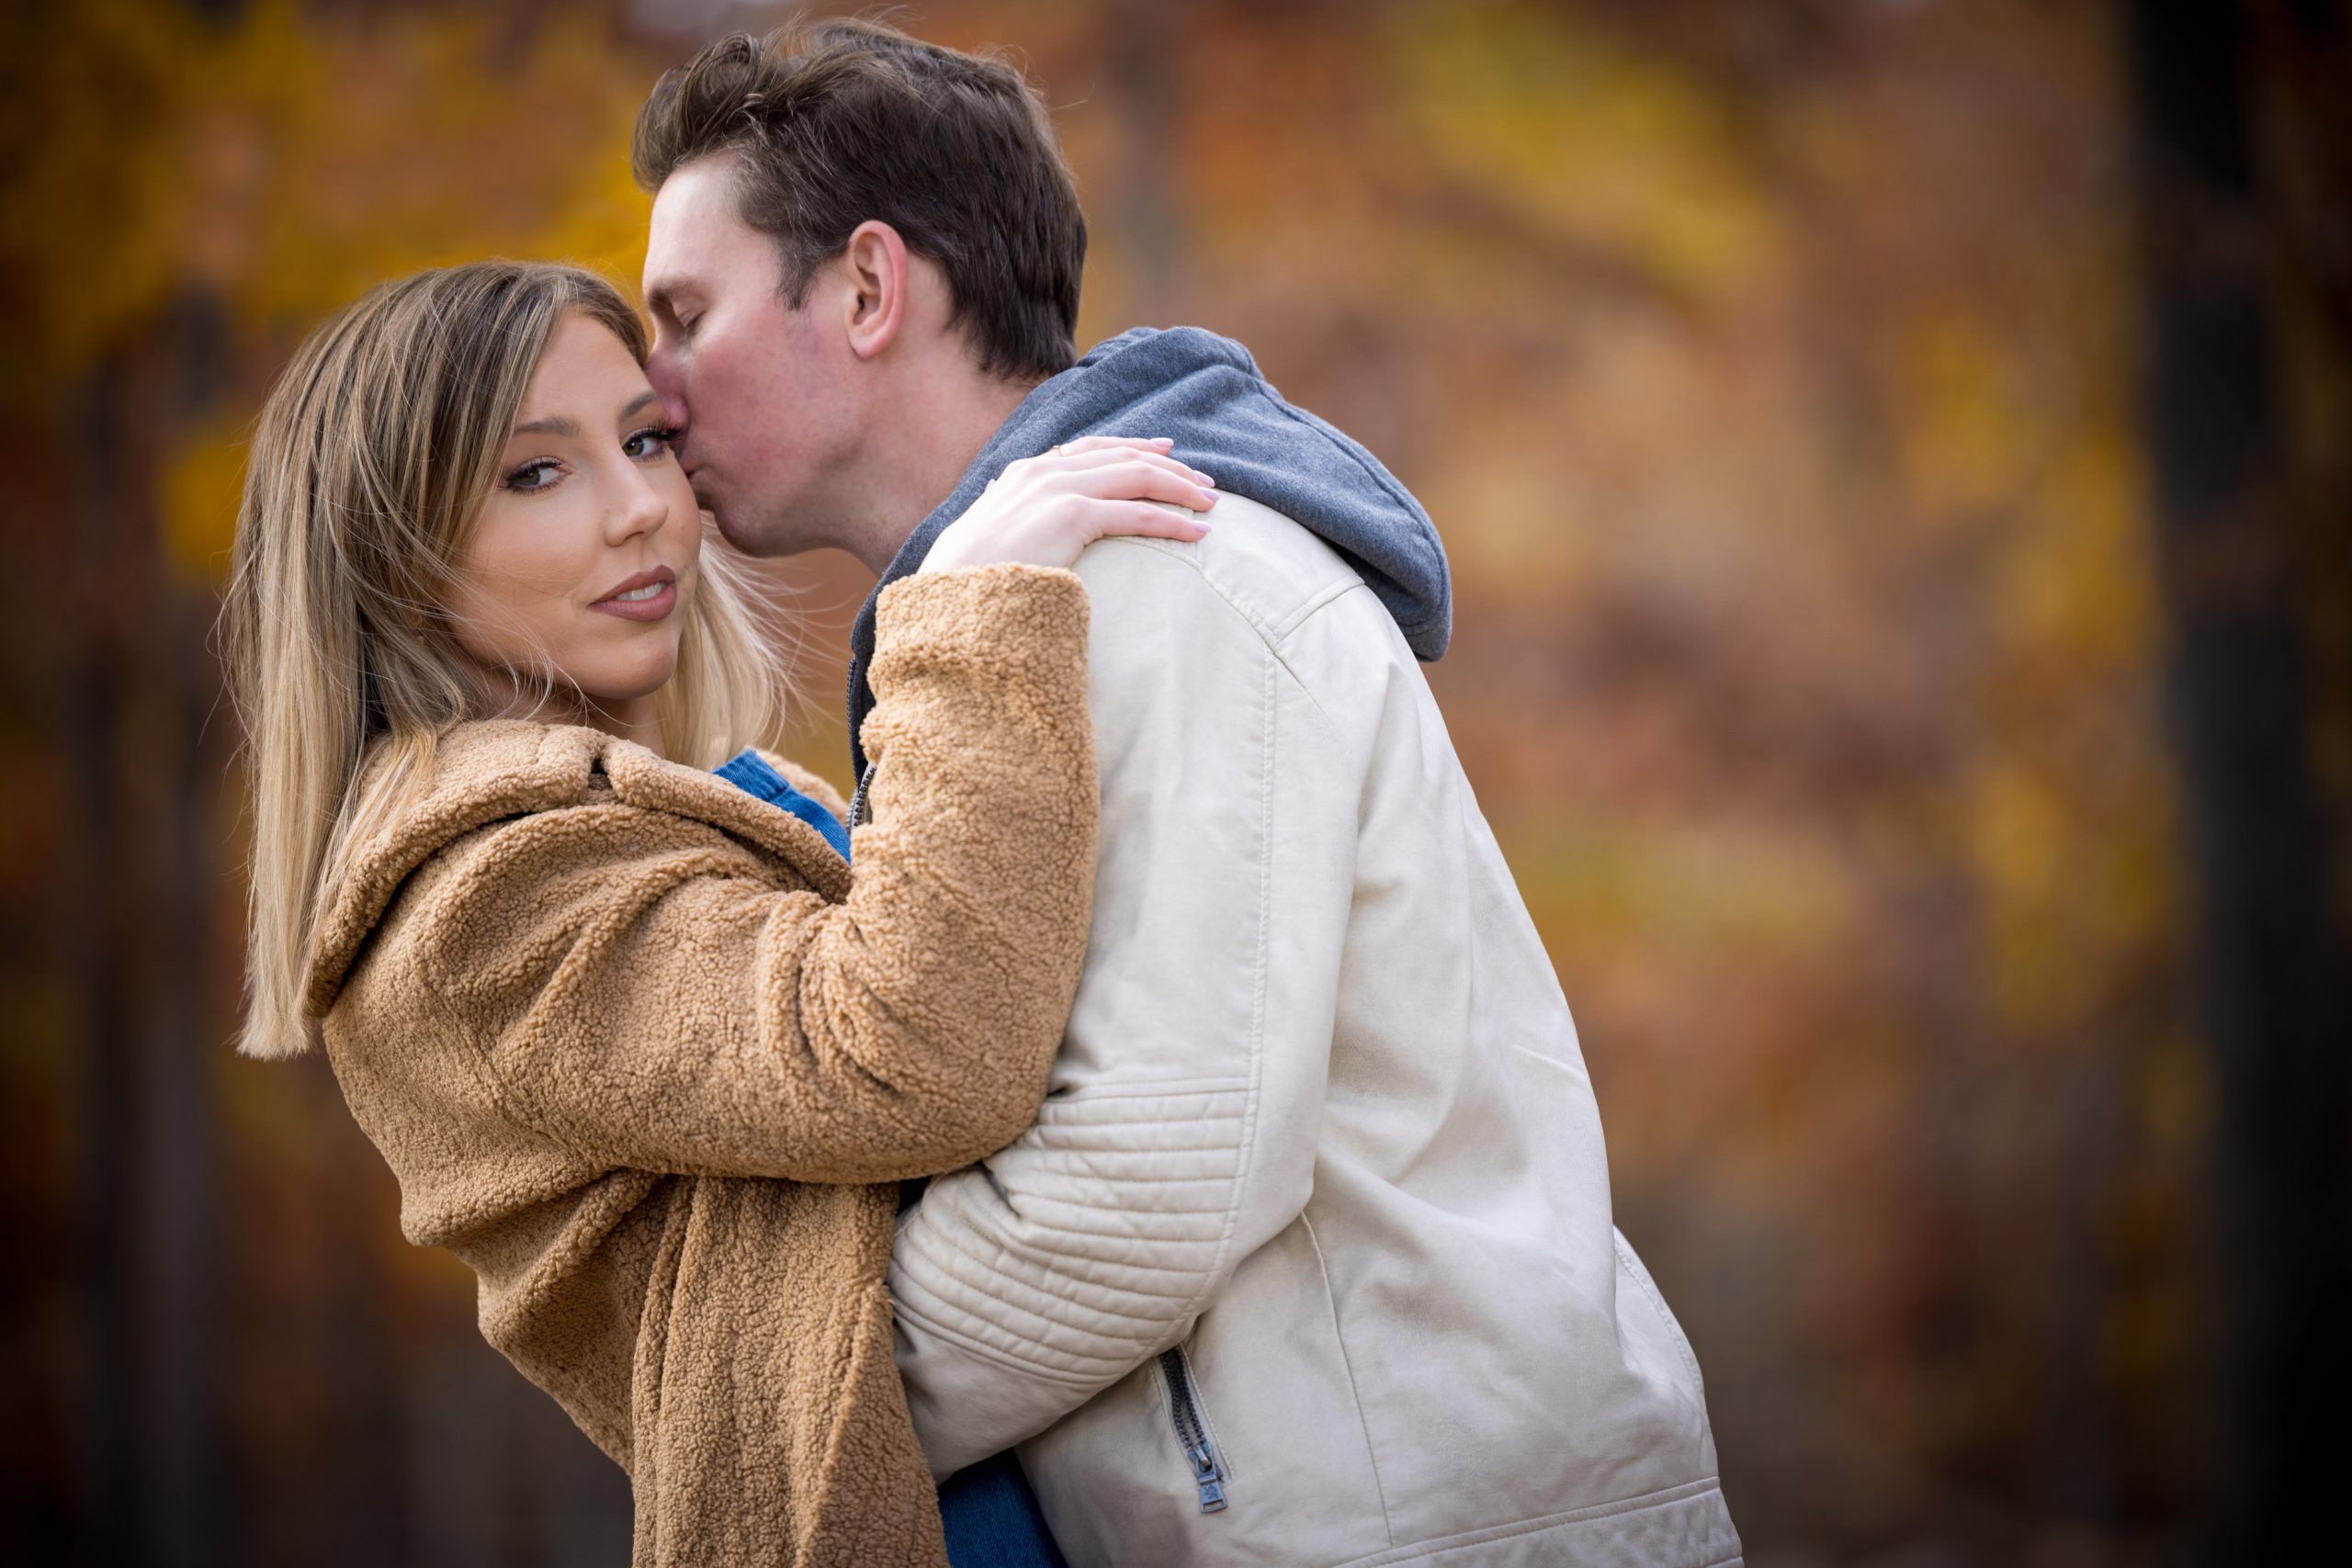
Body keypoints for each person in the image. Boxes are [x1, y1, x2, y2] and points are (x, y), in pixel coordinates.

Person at [630, 19, 1743, 1568]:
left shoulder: (1160, 587)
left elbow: (1142, 1191)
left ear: (870, 289)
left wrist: (762, 1423)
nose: (656, 391)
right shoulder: (1029, 612)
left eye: (685, 315)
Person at [220, 257, 1215, 1567]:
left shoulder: (718, 805)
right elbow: (915, 1059)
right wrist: (971, 616)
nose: (641, 509)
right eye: (536, 473)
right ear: (392, 559)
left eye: (645, 441)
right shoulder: (475, 901)